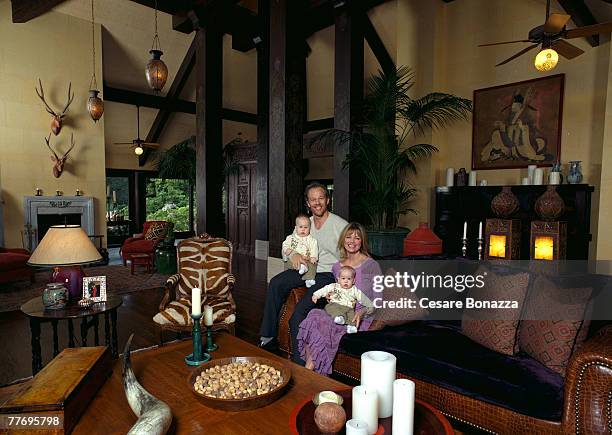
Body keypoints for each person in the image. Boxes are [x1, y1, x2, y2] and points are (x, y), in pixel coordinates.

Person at [259, 182, 348, 364]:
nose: (317, 203)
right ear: (307, 203)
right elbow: (287, 248)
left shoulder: (340, 226)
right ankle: (267, 337)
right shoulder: (304, 224)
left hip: (327, 275)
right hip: (306, 269)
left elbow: (350, 259)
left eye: (321, 198)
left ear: (328, 200)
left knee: (299, 312)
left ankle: (300, 364)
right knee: (276, 283)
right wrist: (294, 253)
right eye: (313, 199)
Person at [297, 222, 382, 374]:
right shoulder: (337, 266)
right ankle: (309, 374)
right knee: (314, 315)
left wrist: (362, 313)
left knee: (324, 326)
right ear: (343, 240)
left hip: (356, 318)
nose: (352, 241)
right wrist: (331, 297)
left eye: (357, 238)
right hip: (337, 311)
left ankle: (307, 374)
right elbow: (339, 291)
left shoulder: (371, 265)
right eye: (348, 237)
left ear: (362, 241)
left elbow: (378, 301)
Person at [311, 265, 374, 334]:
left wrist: (369, 305)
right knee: (330, 307)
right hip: (336, 304)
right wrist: (316, 295)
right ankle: (339, 317)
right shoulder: (334, 286)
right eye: (343, 278)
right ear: (338, 279)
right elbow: (324, 290)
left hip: (349, 308)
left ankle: (351, 327)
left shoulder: (355, 290)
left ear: (353, 281)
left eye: (349, 279)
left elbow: (363, 298)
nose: (346, 281)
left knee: (352, 317)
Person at [282, 214, 319, 288]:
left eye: (306, 227)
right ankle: (301, 267)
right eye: (300, 227)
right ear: (296, 228)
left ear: (309, 229)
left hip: (306, 259)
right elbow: (284, 244)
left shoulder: (312, 240)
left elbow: (314, 249)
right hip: (294, 260)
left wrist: (313, 257)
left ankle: (309, 279)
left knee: (313, 265)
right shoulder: (291, 238)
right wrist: (287, 249)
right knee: (289, 262)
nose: (303, 229)